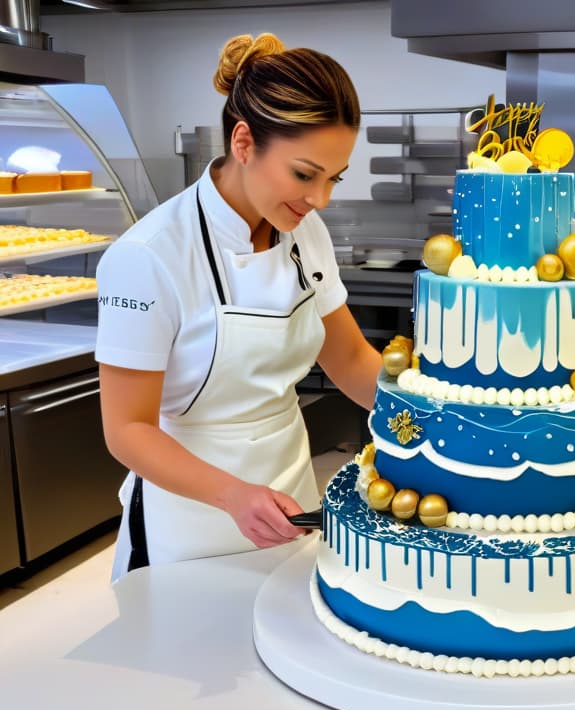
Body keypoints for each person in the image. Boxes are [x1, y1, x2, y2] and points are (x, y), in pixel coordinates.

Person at [96, 33, 381, 581]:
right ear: (244, 142)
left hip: (290, 492)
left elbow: (349, 360)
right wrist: (231, 495)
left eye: (333, 179)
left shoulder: (304, 231)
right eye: (304, 174)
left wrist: (441, 424)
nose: (320, 199)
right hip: (192, 509)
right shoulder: (148, 256)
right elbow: (127, 428)